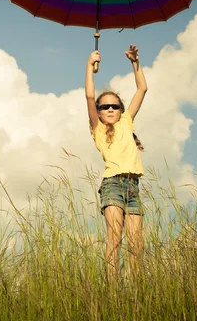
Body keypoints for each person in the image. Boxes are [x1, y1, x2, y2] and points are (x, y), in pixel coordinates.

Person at [84, 44, 147, 281]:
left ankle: (139, 292)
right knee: (115, 238)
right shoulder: (98, 129)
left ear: (121, 109)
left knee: (137, 243)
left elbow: (142, 88)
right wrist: (89, 66)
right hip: (112, 185)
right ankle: (112, 293)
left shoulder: (126, 121)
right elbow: (89, 95)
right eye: (105, 107)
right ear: (98, 112)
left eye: (115, 106)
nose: (110, 109)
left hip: (133, 187)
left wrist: (135, 62)